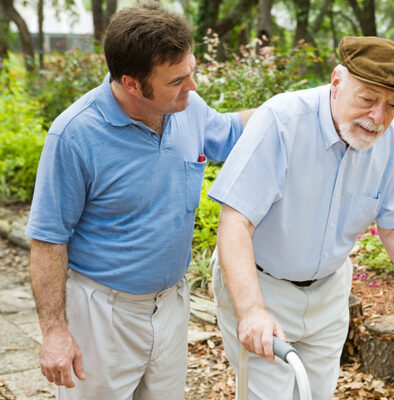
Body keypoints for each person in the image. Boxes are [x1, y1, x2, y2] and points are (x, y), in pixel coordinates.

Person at [25, 3, 254, 399]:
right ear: (132, 84)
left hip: (170, 306)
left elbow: (234, 132)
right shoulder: (75, 135)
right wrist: (55, 332)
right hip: (102, 314)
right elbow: (48, 239)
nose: (192, 88)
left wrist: (302, 110)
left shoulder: (188, 108)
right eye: (177, 81)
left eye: (192, 72)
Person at [208, 36, 394, 399]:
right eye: (368, 99)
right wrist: (252, 311)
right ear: (336, 82)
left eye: (392, 105)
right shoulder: (281, 121)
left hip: (328, 293)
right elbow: (234, 224)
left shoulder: (390, 136)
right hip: (262, 288)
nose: (378, 118)